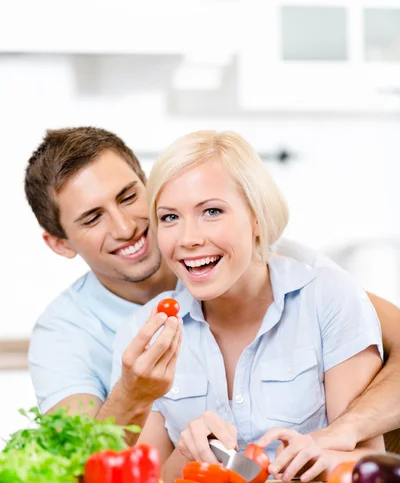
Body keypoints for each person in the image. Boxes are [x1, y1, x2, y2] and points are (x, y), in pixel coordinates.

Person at [25, 127, 400, 453]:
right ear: (61, 244)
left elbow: (369, 331)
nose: (125, 227)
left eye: (128, 197)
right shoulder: (64, 335)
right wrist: (133, 394)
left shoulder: (292, 270)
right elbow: (81, 474)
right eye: (92, 218)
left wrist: (345, 430)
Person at [111, 129, 387, 483]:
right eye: (169, 218)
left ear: (257, 218)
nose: (189, 239)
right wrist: (190, 452)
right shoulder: (142, 332)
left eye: (211, 211)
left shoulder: (328, 299)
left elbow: (372, 462)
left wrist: (315, 459)